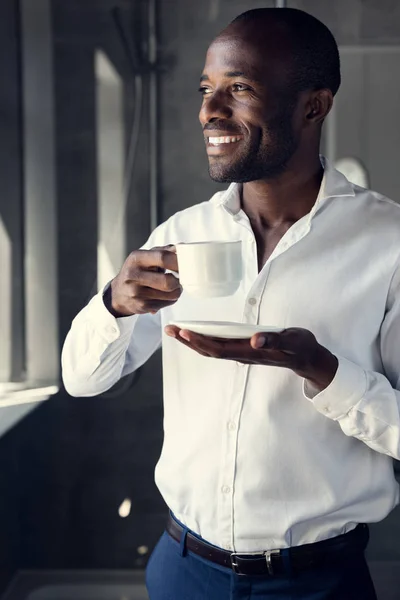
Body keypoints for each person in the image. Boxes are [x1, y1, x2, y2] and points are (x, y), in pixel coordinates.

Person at [61, 7, 400, 600]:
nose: (209, 112)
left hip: (317, 583)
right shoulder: (181, 234)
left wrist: (325, 373)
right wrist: (112, 305)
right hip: (181, 570)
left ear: (313, 106)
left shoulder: (388, 244)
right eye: (206, 89)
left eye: (239, 89)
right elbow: (81, 380)